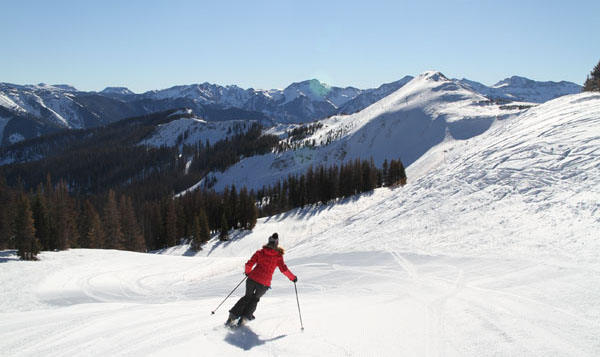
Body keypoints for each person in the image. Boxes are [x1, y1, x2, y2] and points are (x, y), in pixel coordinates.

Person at [226, 232, 297, 327]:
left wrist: (248, 272)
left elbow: (249, 264)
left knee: (247, 297)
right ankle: (245, 318)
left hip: (252, 279)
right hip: (264, 283)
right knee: (255, 299)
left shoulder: (260, 252)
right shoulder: (278, 256)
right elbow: (283, 269)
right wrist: (293, 278)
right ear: (276, 244)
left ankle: (233, 316)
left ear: (268, 243)